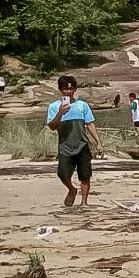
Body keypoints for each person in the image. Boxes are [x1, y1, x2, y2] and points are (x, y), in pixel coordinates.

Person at [47, 76, 101, 207]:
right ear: (60, 90)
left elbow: (90, 124)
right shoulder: (54, 107)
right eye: (65, 89)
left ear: (75, 89)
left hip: (82, 145)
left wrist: (98, 142)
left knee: (85, 175)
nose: (67, 92)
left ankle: (84, 203)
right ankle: (71, 189)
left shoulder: (82, 105)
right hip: (65, 146)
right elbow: (52, 126)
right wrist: (60, 113)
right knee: (63, 174)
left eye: (70, 89)